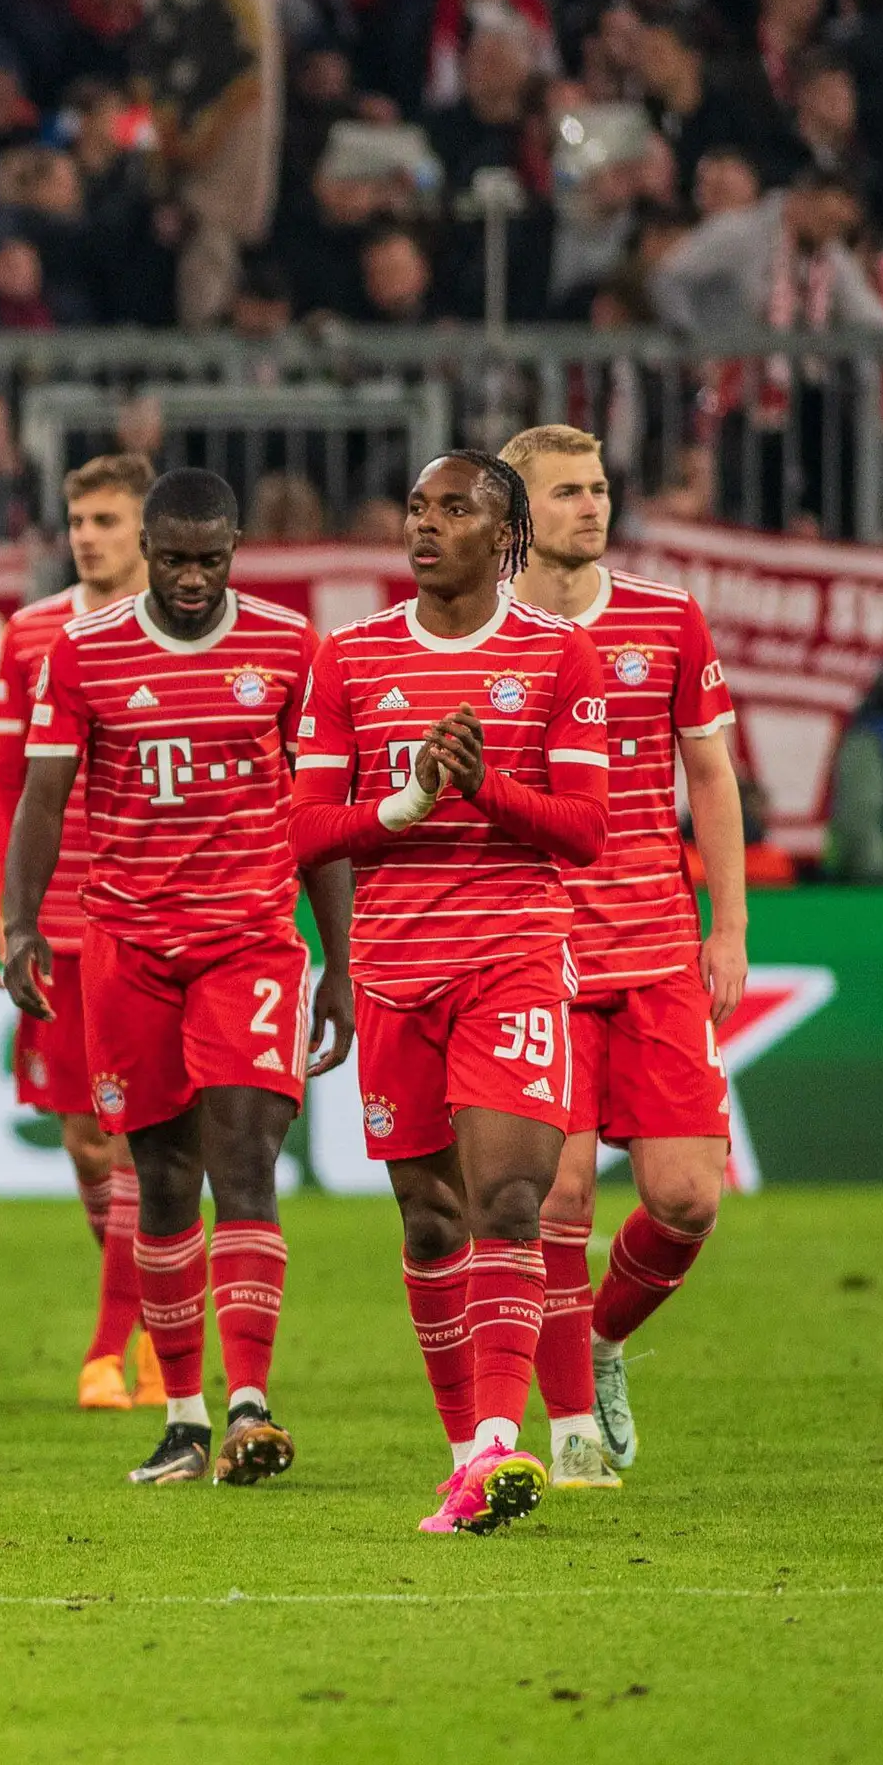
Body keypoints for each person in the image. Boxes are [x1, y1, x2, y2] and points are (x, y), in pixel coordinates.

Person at [1, 469, 356, 1489]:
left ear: (236, 545)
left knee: (244, 1157)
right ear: (149, 550)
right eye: (174, 558)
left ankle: (250, 1403)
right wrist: (25, 922)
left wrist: (339, 959)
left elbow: (321, 819)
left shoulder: (291, 649)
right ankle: (185, 1416)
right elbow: (43, 796)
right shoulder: (84, 651)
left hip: (249, 941)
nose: (192, 577)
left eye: (211, 557)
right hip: (125, 947)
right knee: (159, 1178)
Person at [291, 453, 610, 1537]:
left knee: (510, 1203)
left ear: (505, 531)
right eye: (418, 507)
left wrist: (486, 787)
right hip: (391, 973)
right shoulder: (352, 656)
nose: (426, 526)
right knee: (430, 1224)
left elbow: (586, 828)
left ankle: (493, 1448)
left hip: (513, 958)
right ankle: (461, 1447)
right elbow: (301, 830)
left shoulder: (559, 658)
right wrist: (411, 798)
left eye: (455, 508)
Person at [503, 424, 745, 1487]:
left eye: (598, 487)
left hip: (652, 944)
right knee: (557, 1197)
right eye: (565, 491)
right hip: (537, 947)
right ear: (519, 513)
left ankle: (601, 1340)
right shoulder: (487, 634)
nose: (591, 506)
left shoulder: (668, 618)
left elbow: (715, 776)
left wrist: (727, 926)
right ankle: (570, 1433)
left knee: (689, 1195)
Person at [0, 452, 153, 1409]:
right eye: (79, 519)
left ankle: (112, 1345)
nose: (87, 536)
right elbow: (1, 779)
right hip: (61, 922)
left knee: (138, 1144)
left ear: (147, 530)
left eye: (108, 520)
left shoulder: (182, 633)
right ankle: (160, 1300)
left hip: (147, 915)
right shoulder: (32, 634)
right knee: (87, 1142)